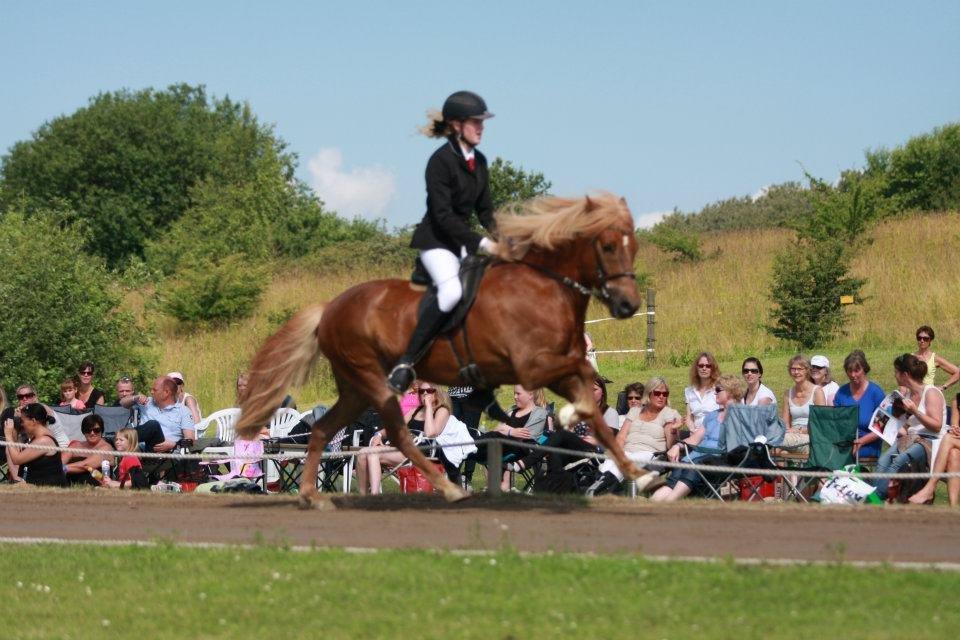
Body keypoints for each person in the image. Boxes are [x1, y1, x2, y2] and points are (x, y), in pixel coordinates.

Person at [386, 91, 499, 393]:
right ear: (457, 125)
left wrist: (506, 238)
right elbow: (443, 215)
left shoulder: (481, 161)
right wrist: (482, 243)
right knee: (451, 292)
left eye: (481, 121)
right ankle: (405, 362)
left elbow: (485, 211)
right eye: (476, 122)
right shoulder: (440, 162)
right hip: (436, 241)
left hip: (462, 242)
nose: (481, 127)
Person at [652, 375, 745, 502]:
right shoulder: (712, 416)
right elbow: (694, 439)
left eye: (718, 390)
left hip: (718, 462)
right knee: (674, 480)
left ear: (730, 392)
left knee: (694, 466)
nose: (714, 393)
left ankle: (668, 506)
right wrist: (676, 446)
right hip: (693, 460)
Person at [588, 377, 681, 496]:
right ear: (649, 394)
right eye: (657, 393)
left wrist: (673, 430)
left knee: (620, 464)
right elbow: (621, 437)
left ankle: (597, 491)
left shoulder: (670, 414)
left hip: (649, 454)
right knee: (611, 462)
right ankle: (600, 490)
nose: (661, 396)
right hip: (626, 452)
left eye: (665, 394)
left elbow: (671, 446)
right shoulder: (635, 411)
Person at [871, 354, 946, 501]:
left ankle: (875, 500)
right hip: (911, 438)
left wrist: (915, 411)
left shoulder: (931, 392)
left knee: (898, 461)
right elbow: (907, 428)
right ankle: (878, 498)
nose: (894, 375)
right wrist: (888, 428)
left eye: (896, 372)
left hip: (931, 440)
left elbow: (937, 426)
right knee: (882, 461)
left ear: (905, 374)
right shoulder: (908, 396)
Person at [356, 382, 453, 495]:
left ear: (437, 393)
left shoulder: (442, 410)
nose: (425, 394)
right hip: (405, 449)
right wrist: (379, 435)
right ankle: (363, 496)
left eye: (429, 391)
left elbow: (430, 433)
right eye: (421, 391)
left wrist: (429, 408)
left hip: (424, 452)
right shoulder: (415, 410)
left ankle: (375, 496)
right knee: (362, 454)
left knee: (373, 453)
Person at [470, 386, 550, 491]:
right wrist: (511, 432)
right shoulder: (512, 411)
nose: (515, 397)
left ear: (530, 395)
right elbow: (497, 429)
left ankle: (467, 446)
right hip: (496, 447)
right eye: (514, 393)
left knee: (495, 437)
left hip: (516, 450)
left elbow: (525, 436)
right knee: (469, 430)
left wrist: (506, 430)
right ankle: (467, 446)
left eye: (518, 394)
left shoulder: (539, 413)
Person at [909, 392, 960, 505]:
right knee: (954, 455)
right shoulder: (957, 400)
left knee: (948, 439)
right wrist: (955, 429)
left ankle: (930, 487)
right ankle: (953, 509)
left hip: (952, 441)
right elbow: (954, 427)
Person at [833, 350, 886, 459]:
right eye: (850, 371)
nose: (853, 375)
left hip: (868, 443)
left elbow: (882, 427)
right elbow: (836, 422)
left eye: (857, 371)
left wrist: (861, 441)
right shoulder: (841, 393)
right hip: (845, 442)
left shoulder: (876, 393)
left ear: (864, 370)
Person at [120, 376, 196, 452]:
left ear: (166, 392)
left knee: (153, 425)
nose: (151, 392)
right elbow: (123, 403)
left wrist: (174, 444)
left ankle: (123, 438)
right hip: (142, 450)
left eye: (155, 390)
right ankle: (123, 439)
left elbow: (190, 440)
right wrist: (135, 398)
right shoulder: (146, 402)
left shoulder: (183, 411)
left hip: (167, 453)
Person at [2, 403, 66, 486]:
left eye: (22, 421)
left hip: (49, 488)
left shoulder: (44, 441)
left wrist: (8, 435)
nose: (21, 424)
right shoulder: (40, 437)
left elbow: (16, 460)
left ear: (33, 421)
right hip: (39, 485)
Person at [781, 355, 826, 453]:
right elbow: (785, 424)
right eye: (793, 369)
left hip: (811, 436)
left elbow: (821, 423)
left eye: (800, 369)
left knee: (776, 441)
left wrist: (801, 430)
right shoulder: (787, 394)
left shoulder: (817, 392)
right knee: (778, 450)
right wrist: (790, 430)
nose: (796, 372)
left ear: (807, 370)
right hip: (791, 436)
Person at [61, 414, 114, 485]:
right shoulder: (75, 445)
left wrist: (62, 468)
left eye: (96, 430)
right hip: (69, 485)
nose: (92, 433)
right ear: (83, 431)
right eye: (88, 430)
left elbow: (85, 465)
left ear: (102, 430)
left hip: (95, 488)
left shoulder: (106, 448)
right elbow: (60, 462)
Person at [912, 325, 958, 389]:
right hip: (913, 395)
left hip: (928, 395)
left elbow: (957, 372)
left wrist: (944, 386)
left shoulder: (935, 359)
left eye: (925, 339)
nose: (922, 341)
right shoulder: (910, 357)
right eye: (919, 338)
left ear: (930, 340)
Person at [684, 352, 720, 430]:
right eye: (701, 366)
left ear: (712, 368)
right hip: (695, 432)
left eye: (708, 366)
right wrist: (692, 430)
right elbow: (689, 417)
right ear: (696, 368)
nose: (704, 368)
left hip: (714, 431)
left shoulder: (719, 389)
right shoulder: (689, 391)